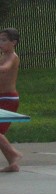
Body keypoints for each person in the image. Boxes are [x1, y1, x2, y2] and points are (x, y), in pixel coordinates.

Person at [0, 28, 22, 172]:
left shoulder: (13, 57)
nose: (0, 43)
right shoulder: (3, 55)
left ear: (13, 42)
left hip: (9, 99)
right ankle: (12, 163)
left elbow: (5, 69)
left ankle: (14, 154)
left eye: (3, 40)